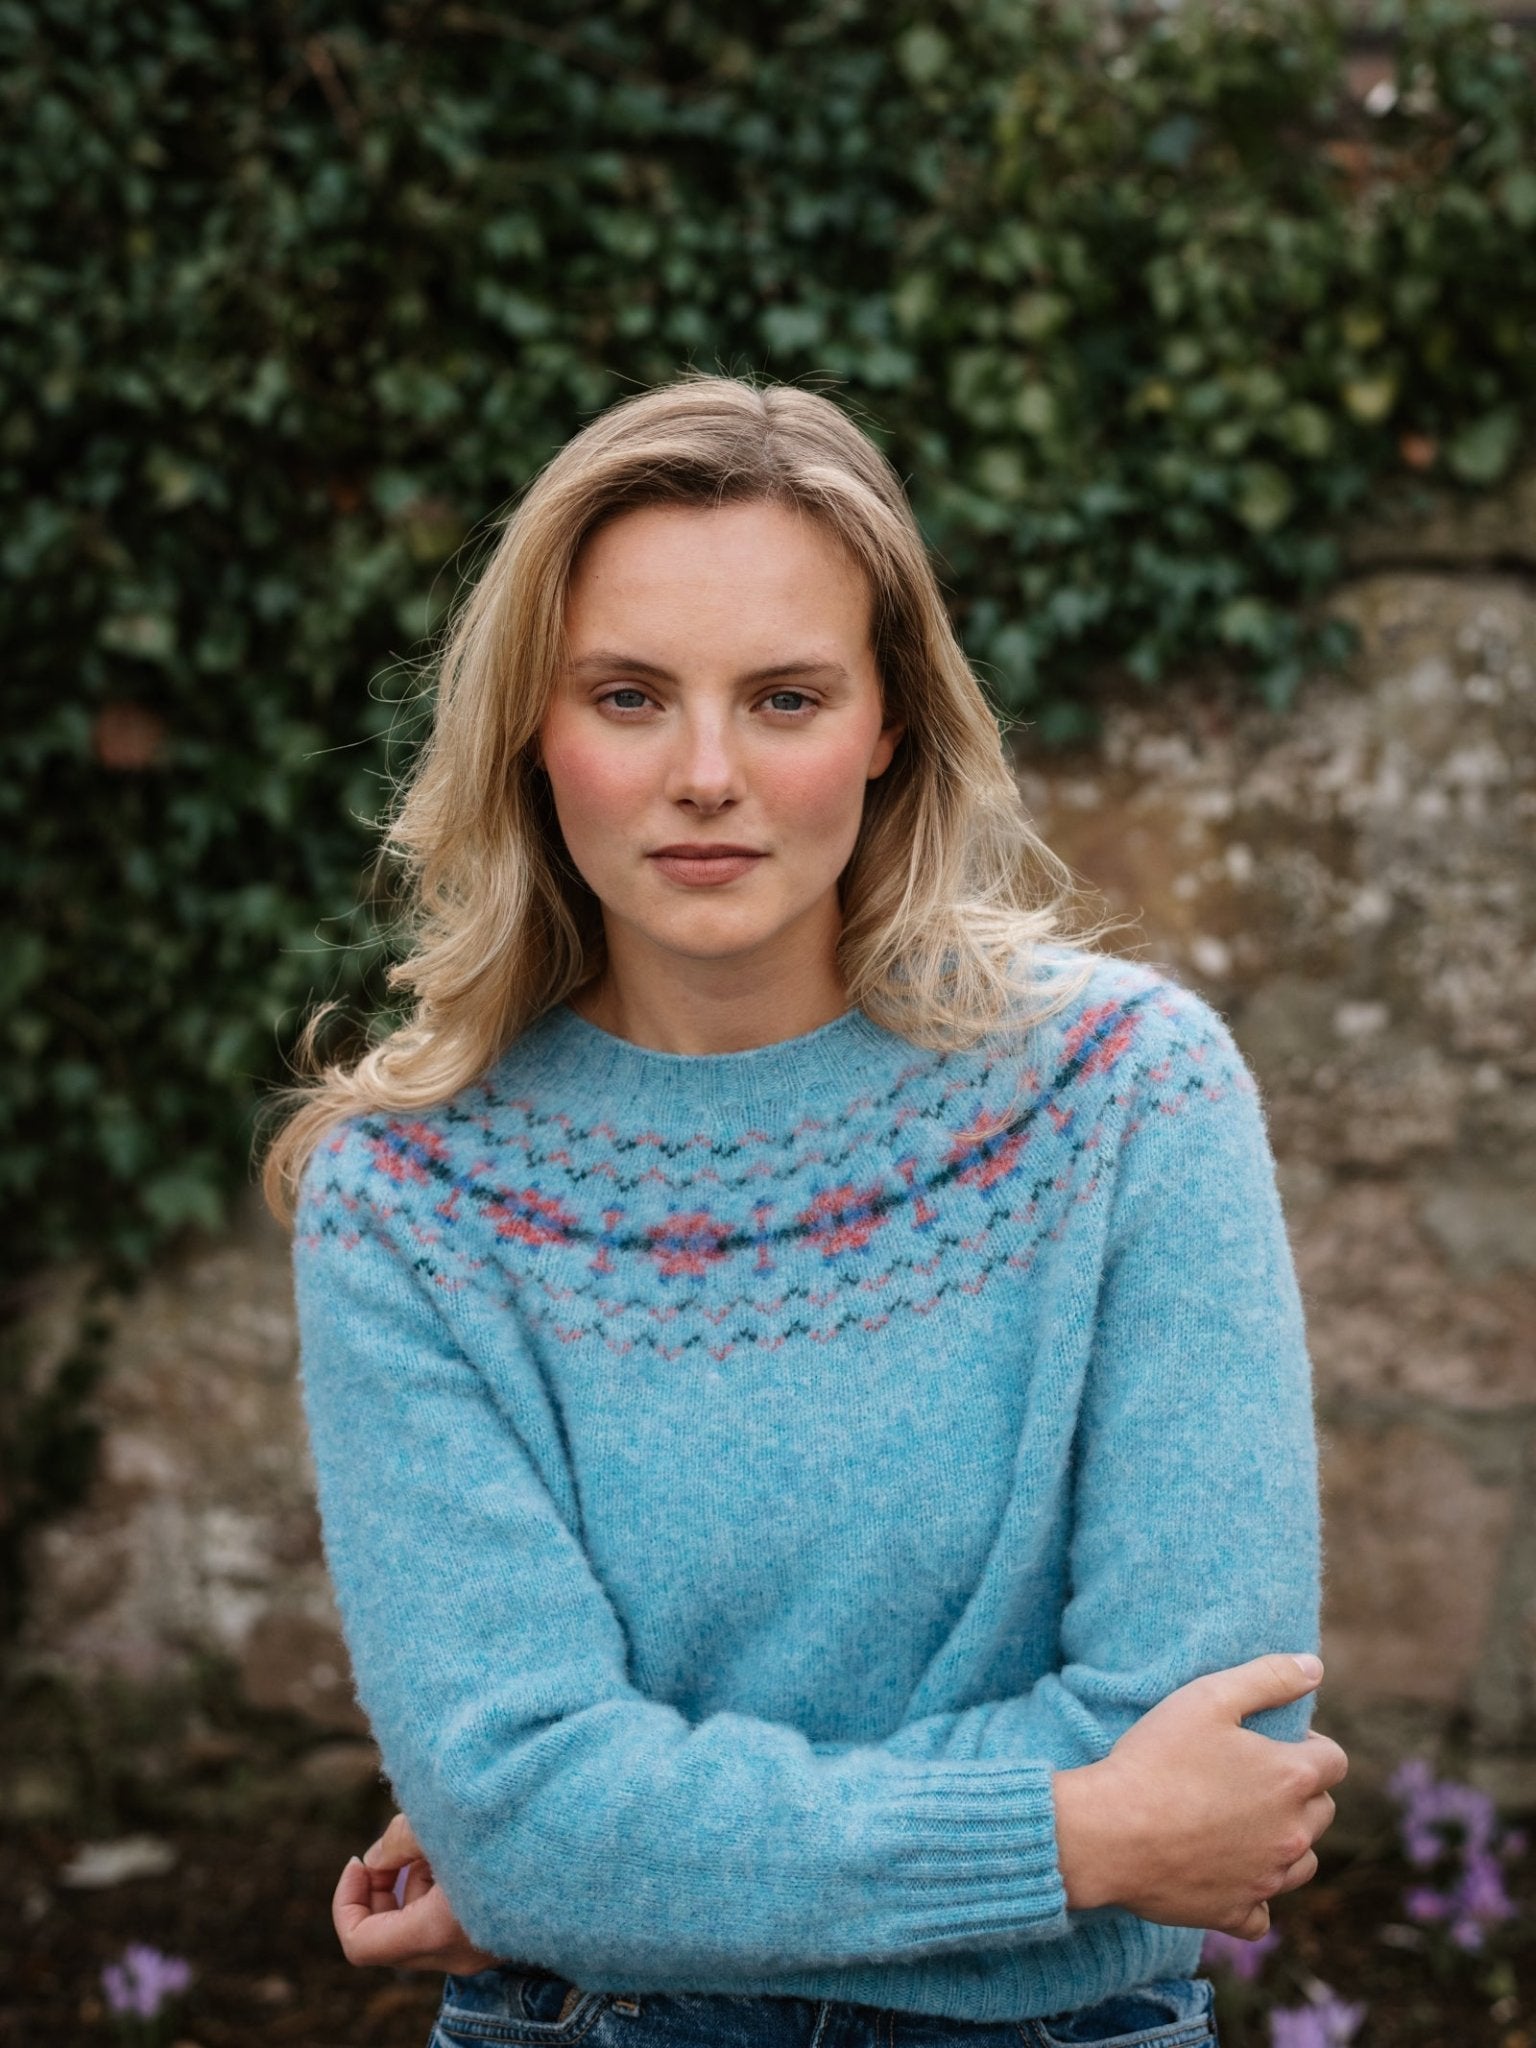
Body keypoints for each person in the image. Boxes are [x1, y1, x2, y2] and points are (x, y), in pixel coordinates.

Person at [264, 375, 1345, 2048]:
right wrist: (1077, 1835)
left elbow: (1222, 1745)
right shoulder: (413, 1196)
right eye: (629, 696)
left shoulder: (1129, 1096)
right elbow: (528, 1821)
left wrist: (648, 1869)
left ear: (890, 720)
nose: (707, 774)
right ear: (531, 731)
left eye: (785, 697)